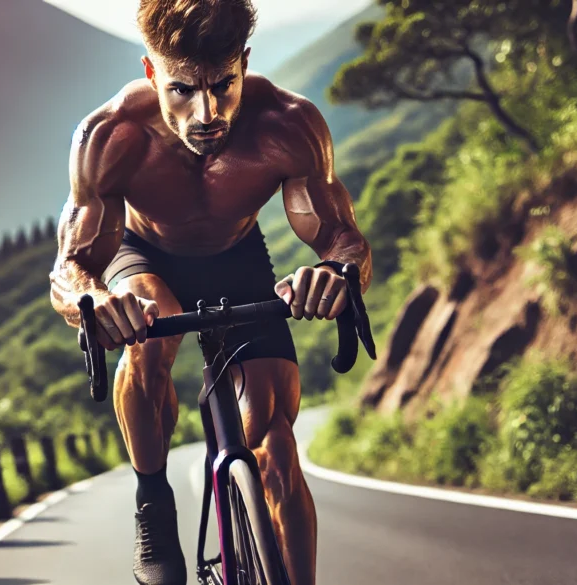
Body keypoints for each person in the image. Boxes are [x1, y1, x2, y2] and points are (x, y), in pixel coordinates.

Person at [48, 1, 372, 583]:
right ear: (151, 73)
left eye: (224, 85)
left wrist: (335, 273)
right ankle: (153, 501)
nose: (207, 112)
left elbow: (341, 238)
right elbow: (69, 268)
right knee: (148, 335)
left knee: (275, 444)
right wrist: (93, 302)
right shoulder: (110, 135)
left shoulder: (288, 125)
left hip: (238, 260)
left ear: (244, 63)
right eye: (181, 91)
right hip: (143, 258)